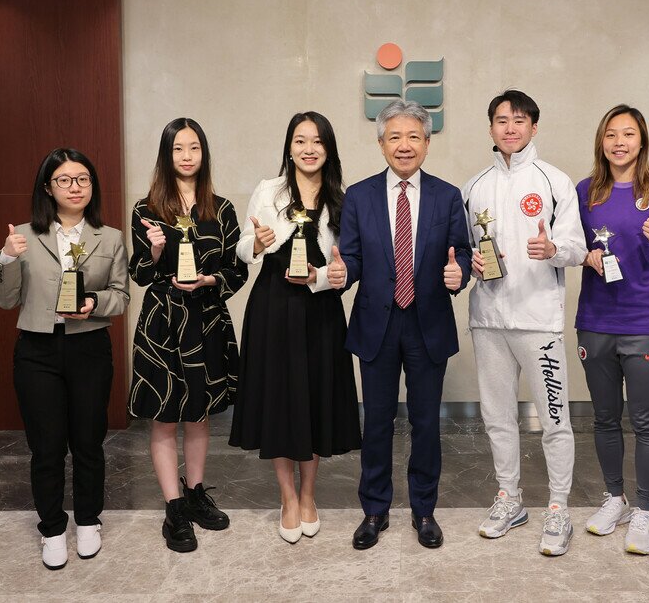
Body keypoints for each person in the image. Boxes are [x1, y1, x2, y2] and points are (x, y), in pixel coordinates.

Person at [327, 100, 472, 550]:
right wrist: (342, 273)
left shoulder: (448, 196)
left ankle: (424, 510)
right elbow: (349, 256)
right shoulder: (360, 195)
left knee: (427, 422)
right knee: (378, 423)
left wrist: (459, 274)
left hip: (428, 323)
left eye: (413, 137)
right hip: (377, 324)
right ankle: (374, 509)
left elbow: (461, 252)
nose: (404, 145)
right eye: (395, 137)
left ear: (427, 143)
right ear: (381, 144)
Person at [0, 148, 129, 570]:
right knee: (46, 447)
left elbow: (121, 297)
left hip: (89, 347)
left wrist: (91, 303)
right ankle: (52, 527)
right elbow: (4, 299)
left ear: (93, 187)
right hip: (37, 350)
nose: (75, 187)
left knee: (88, 441)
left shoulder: (111, 237)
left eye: (83, 179)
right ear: (48, 187)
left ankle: (88, 520)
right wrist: (8, 257)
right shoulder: (25, 236)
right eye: (65, 180)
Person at [461, 90, 587, 556]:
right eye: (500, 120)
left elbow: (577, 247)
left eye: (519, 120)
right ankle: (509, 499)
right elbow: (463, 249)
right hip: (489, 319)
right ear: (490, 128)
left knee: (554, 420)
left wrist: (553, 249)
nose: (509, 128)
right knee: (497, 419)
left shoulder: (554, 181)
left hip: (539, 320)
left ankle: (558, 508)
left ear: (534, 126)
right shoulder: (473, 186)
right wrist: (470, 263)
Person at [229, 111, 361, 543]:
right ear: (289, 147)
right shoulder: (269, 190)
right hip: (273, 303)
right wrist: (258, 243)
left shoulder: (342, 198)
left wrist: (324, 278)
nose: (309, 149)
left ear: (328, 149)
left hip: (319, 306)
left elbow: (344, 267)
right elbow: (243, 249)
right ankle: (287, 497)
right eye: (301, 140)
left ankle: (309, 495)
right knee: (280, 398)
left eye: (317, 141)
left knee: (314, 397)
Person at [128, 118, 248, 553]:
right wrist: (156, 249)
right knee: (165, 415)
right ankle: (174, 507)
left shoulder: (223, 208)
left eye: (193, 147)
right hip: (162, 322)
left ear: (204, 153)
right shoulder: (146, 208)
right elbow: (139, 273)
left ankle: (196, 494)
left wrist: (209, 281)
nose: (186, 156)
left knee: (199, 414)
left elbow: (238, 270)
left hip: (208, 319)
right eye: (178, 149)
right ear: (167, 155)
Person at [575, 104, 649, 556]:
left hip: (643, 321)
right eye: (610, 135)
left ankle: (643, 510)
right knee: (604, 418)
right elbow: (570, 245)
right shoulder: (584, 191)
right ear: (601, 142)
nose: (619, 142)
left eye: (628, 134)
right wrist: (584, 256)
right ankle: (614, 499)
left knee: (645, 422)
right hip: (595, 321)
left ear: (642, 140)